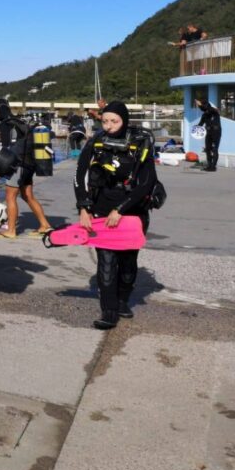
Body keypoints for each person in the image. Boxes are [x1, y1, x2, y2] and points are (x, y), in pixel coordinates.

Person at [74, 102, 157, 329]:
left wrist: (120, 209)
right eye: (105, 121)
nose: (109, 126)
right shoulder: (96, 142)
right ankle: (108, 311)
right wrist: (83, 207)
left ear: (125, 121)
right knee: (107, 262)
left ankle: (122, 301)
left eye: (114, 121)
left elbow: (147, 182)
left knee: (128, 263)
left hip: (133, 210)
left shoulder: (140, 142)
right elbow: (80, 175)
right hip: (102, 209)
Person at [0, 99, 52, 239]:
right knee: (27, 196)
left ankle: (11, 230)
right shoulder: (19, 121)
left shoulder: (5, 124)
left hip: (17, 165)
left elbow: (5, 150)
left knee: (10, 196)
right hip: (29, 164)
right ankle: (45, 225)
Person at [196, 98, 222, 171]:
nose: (201, 108)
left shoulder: (214, 111)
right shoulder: (204, 115)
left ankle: (213, 167)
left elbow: (209, 109)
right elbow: (200, 124)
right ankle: (209, 165)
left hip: (216, 132)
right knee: (207, 149)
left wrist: (200, 104)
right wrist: (195, 128)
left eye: (202, 107)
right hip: (209, 132)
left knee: (214, 149)